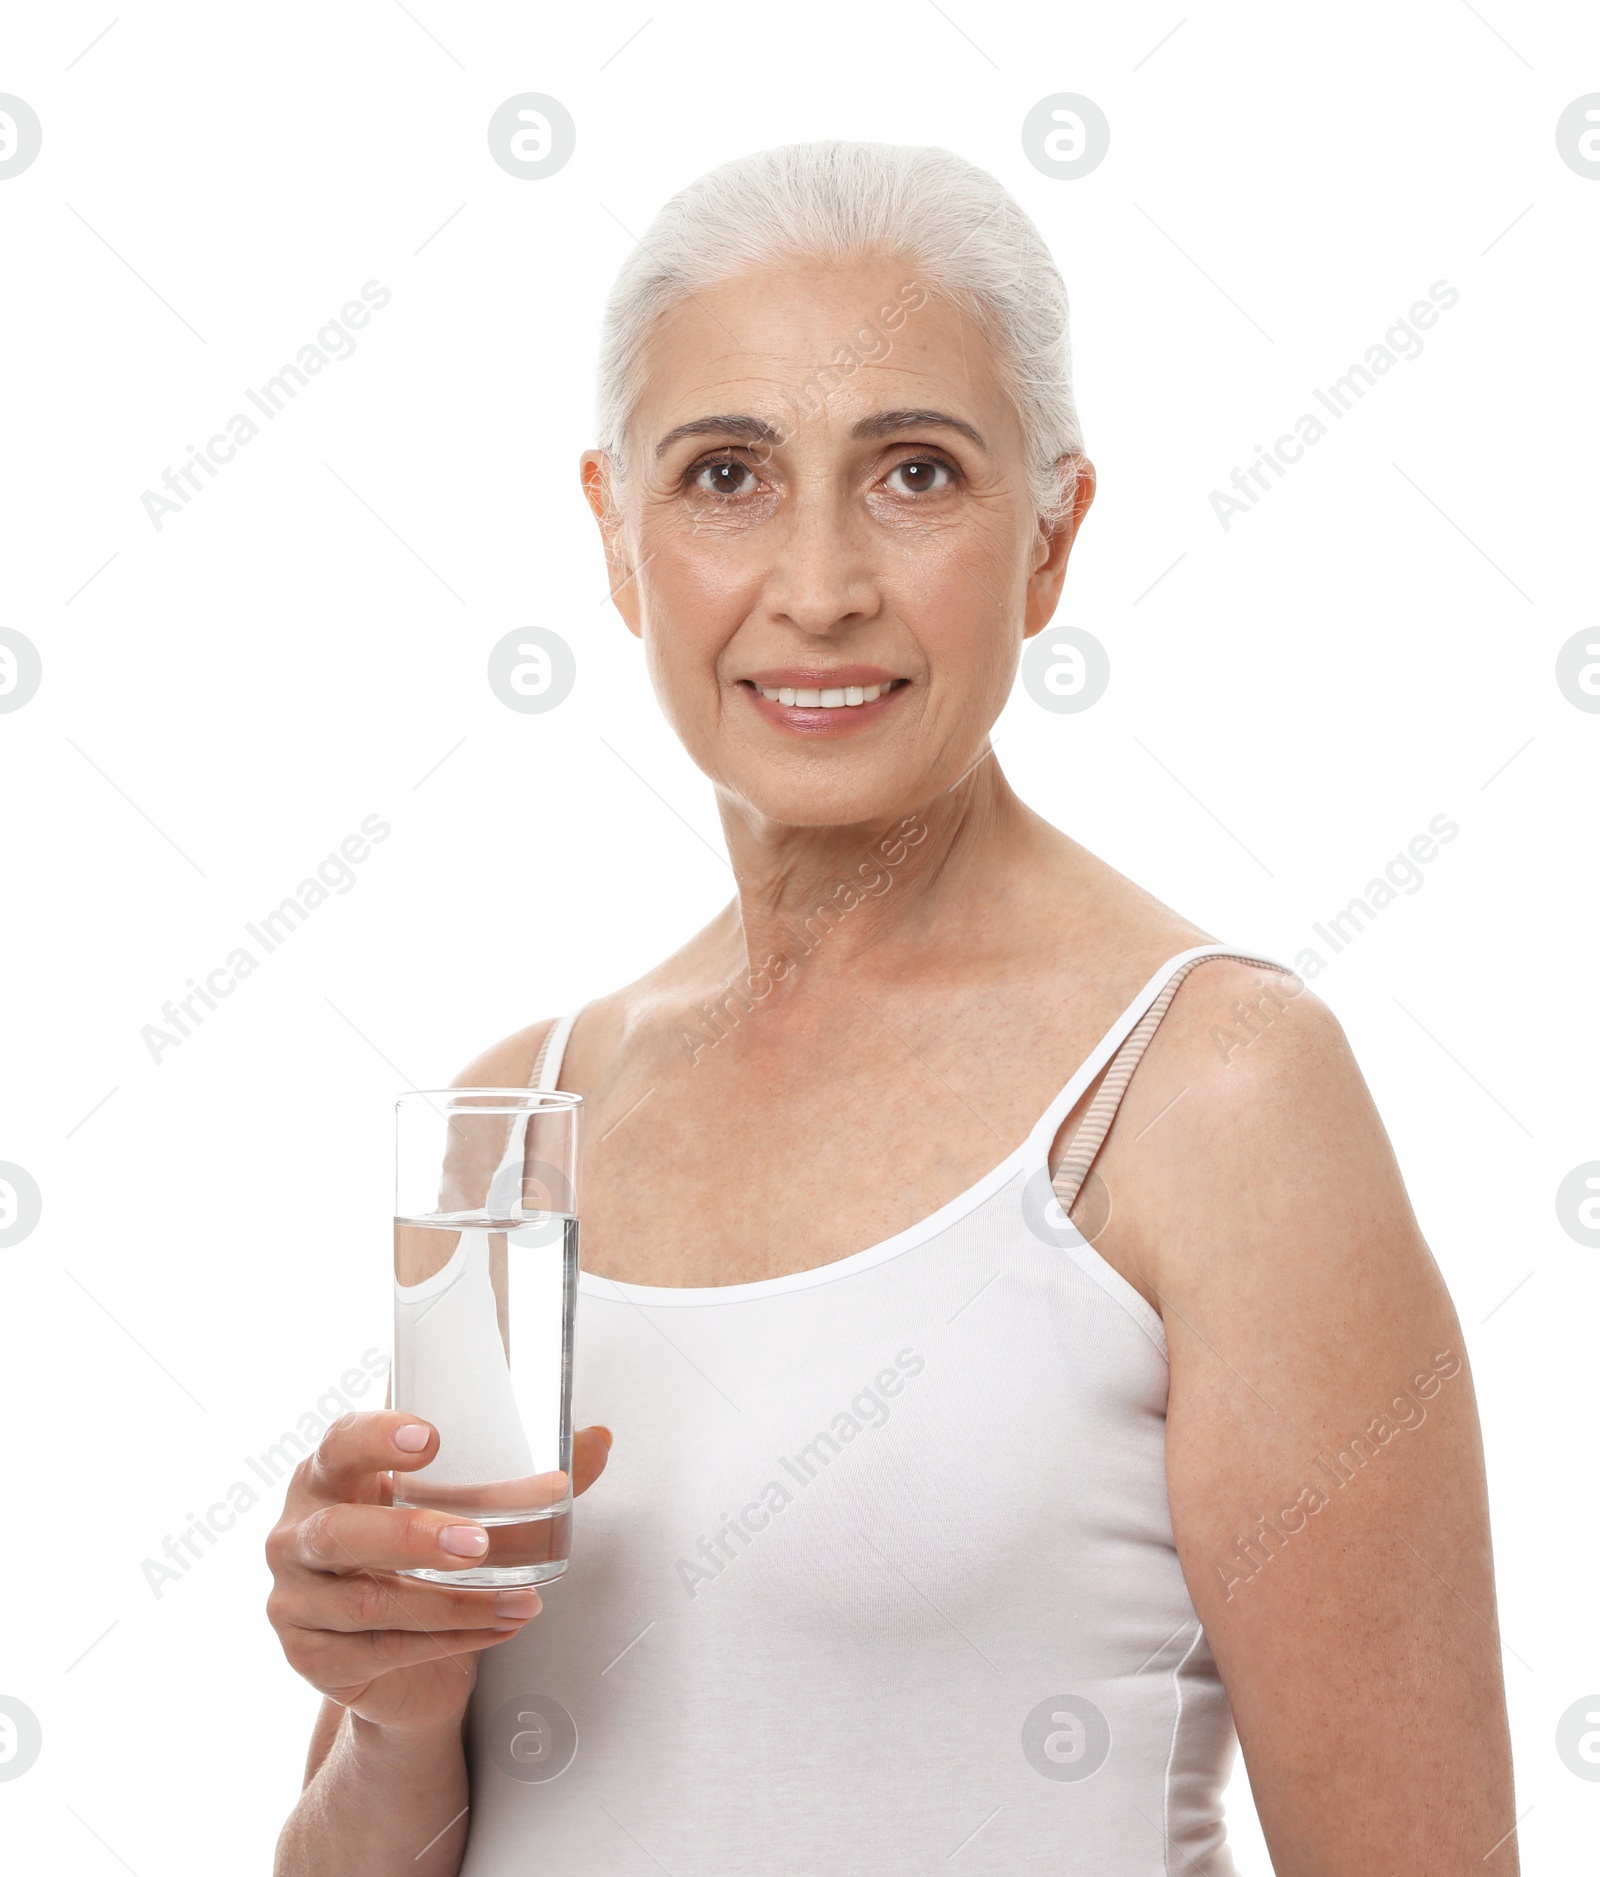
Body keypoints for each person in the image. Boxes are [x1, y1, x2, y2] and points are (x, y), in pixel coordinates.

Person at [267, 141, 1517, 1875]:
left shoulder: (1211, 1092)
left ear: (1053, 538)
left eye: (915, 471)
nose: (821, 583)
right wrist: (390, 1717)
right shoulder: (520, 1123)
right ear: (618, 541)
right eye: (724, 474)